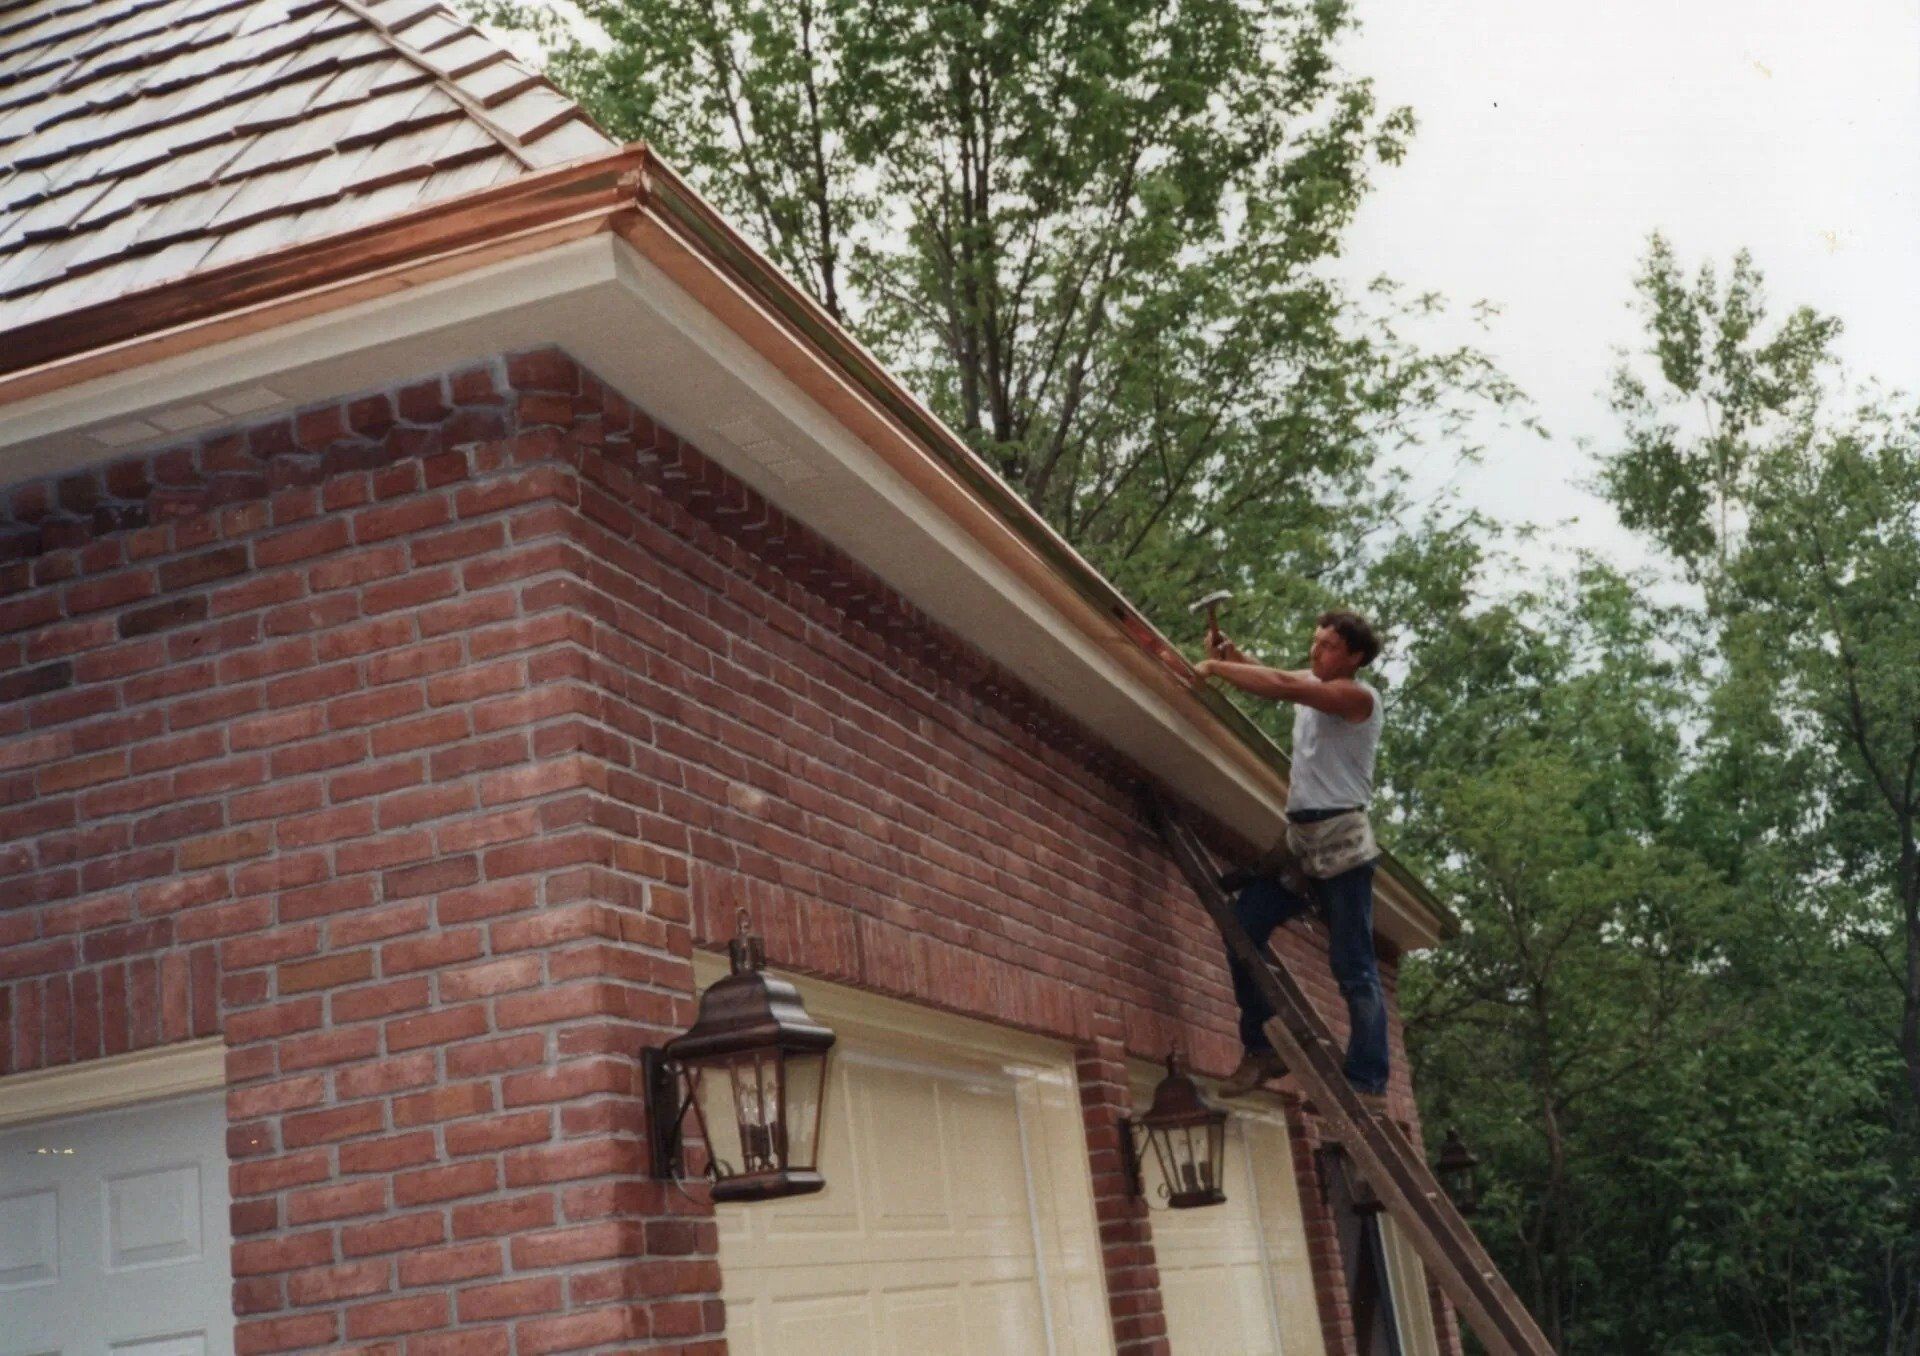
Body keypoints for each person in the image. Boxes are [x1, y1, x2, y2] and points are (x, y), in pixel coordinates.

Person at [1192, 609, 1390, 1107]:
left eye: (1327, 646)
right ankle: (1261, 1048)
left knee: (1354, 964)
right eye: (1315, 641)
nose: (1315, 651)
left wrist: (1214, 670)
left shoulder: (1356, 698)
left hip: (1341, 843)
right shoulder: (1315, 682)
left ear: (1354, 657)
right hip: (1303, 840)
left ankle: (1367, 1080)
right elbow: (1276, 675)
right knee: (1243, 926)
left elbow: (1280, 684)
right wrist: (1232, 655)